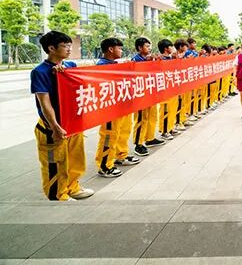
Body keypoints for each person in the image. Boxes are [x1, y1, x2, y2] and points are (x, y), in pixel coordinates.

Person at [30, 31, 94, 200]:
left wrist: (65, 74)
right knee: (55, 161)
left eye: (70, 45)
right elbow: (44, 102)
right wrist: (54, 126)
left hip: (72, 122)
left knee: (75, 158)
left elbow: (82, 85)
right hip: (52, 126)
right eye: (65, 46)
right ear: (51, 48)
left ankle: (73, 187)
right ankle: (57, 194)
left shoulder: (70, 65)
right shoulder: (40, 72)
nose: (69, 49)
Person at [95, 38, 140, 178]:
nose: (121, 51)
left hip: (121, 105)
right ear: (110, 49)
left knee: (123, 132)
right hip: (110, 108)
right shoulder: (102, 66)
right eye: (119, 48)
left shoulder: (114, 64)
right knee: (109, 136)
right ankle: (105, 165)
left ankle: (121, 155)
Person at [132, 37, 165, 157]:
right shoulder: (135, 60)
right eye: (147, 46)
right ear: (140, 48)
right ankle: (138, 144)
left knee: (152, 116)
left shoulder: (150, 59)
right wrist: (146, 63)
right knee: (141, 119)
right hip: (141, 94)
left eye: (150, 46)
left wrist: (156, 62)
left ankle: (150, 138)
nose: (149, 48)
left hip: (151, 92)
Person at [157, 39, 178, 140]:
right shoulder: (160, 59)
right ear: (166, 48)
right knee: (165, 110)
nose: (173, 49)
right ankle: (164, 130)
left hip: (172, 87)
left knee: (172, 108)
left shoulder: (171, 58)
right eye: (171, 47)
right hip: (164, 89)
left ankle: (170, 127)